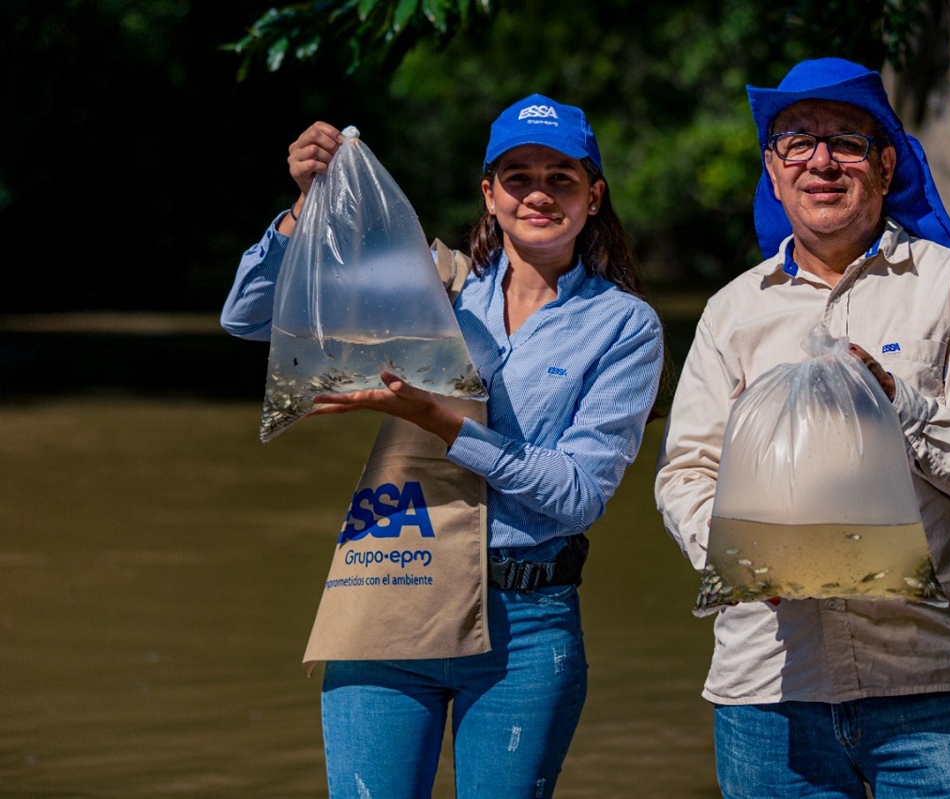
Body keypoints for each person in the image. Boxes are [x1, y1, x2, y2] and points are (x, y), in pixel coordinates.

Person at [221, 94, 664, 799]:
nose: (538, 193)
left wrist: (442, 422)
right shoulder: (434, 282)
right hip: (391, 583)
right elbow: (249, 318)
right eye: (518, 177)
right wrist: (304, 208)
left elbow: (578, 494)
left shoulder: (625, 327)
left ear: (593, 196)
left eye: (561, 178)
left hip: (527, 622)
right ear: (488, 193)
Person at [654, 57, 950, 798]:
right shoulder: (733, 312)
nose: (821, 160)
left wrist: (898, 404)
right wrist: (740, 558)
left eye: (846, 142)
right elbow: (685, 473)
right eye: (797, 141)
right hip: (769, 692)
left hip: (934, 686)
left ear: (885, 166)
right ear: (774, 168)